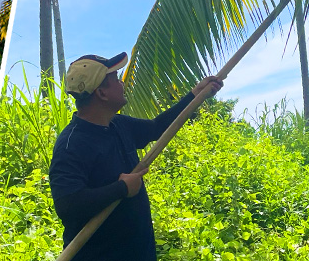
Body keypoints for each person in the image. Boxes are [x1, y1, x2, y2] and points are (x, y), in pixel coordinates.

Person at [49, 52, 223, 261]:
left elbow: (157, 128)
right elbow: (68, 205)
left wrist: (195, 96)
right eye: (115, 79)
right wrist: (121, 189)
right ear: (102, 93)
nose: (121, 83)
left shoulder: (118, 124)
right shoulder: (71, 144)